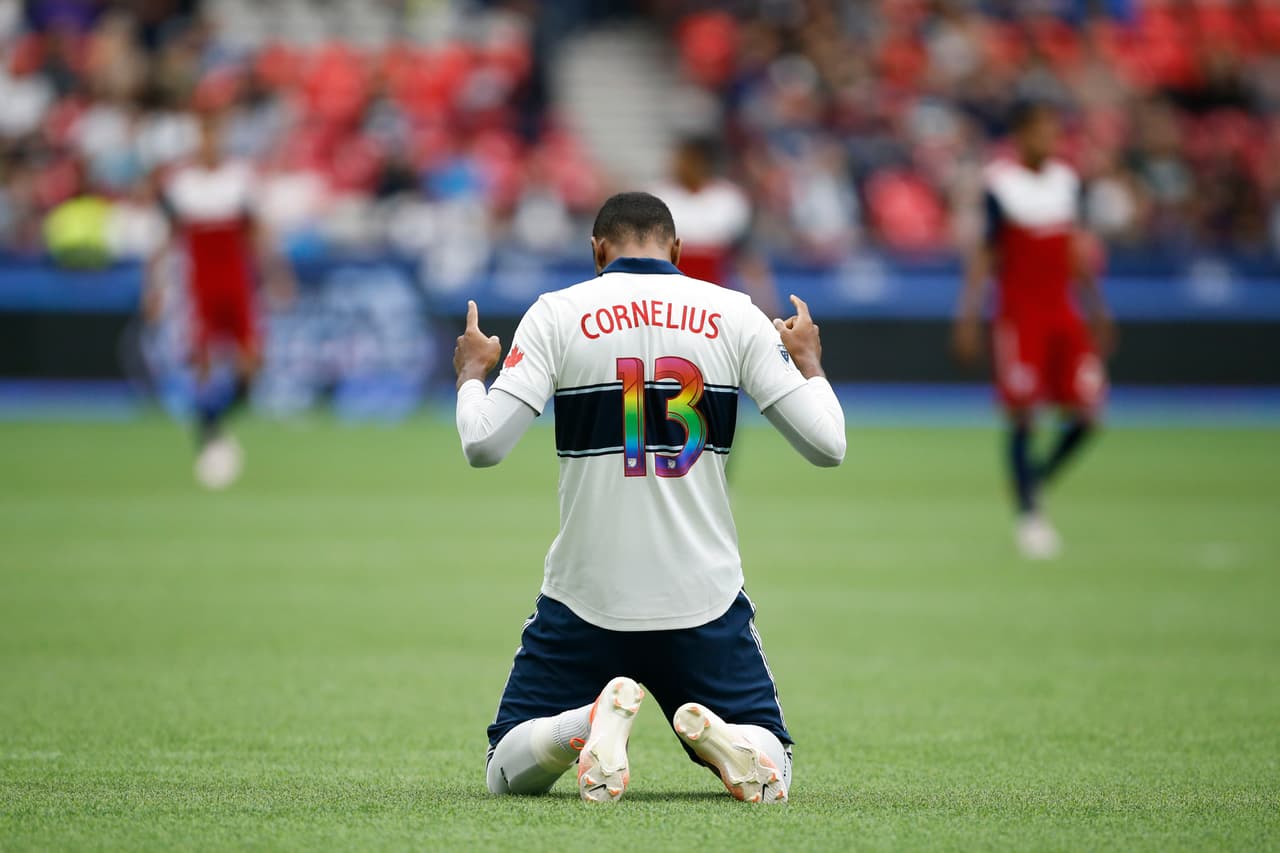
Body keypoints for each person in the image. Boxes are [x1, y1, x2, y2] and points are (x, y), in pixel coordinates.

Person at [453, 192, 845, 803]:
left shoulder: (557, 312)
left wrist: (473, 374)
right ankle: (724, 741)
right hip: (703, 598)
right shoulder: (734, 313)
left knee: (504, 767)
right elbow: (829, 446)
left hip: (585, 597)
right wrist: (811, 363)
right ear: (678, 250)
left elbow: (483, 444)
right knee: (774, 763)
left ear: (597, 250)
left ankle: (586, 725)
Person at [952, 102, 1115, 559]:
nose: (1049, 140)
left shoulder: (1066, 182)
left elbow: (1076, 251)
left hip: (1064, 314)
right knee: (1024, 414)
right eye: (1041, 131)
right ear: (1021, 135)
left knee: (1089, 413)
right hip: (1020, 317)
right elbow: (985, 254)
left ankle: (1034, 481)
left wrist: (1097, 307)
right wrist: (968, 316)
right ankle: (1029, 514)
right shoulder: (1001, 187)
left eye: (1054, 130)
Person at [142, 112, 290, 489]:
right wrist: (155, 286)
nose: (209, 144)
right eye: (203, 137)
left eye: (214, 137)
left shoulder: (238, 181)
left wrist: (277, 276)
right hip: (200, 288)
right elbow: (163, 241)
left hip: (237, 285)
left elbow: (259, 235)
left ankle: (210, 422)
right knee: (203, 364)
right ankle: (209, 440)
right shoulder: (183, 186)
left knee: (251, 364)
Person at [652, 136, 778, 316]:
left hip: (716, 292)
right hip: (666, 292)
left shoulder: (728, 198)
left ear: (703, 162)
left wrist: (765, 306)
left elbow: (746, 255)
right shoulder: (658, 195)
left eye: (688, 159)